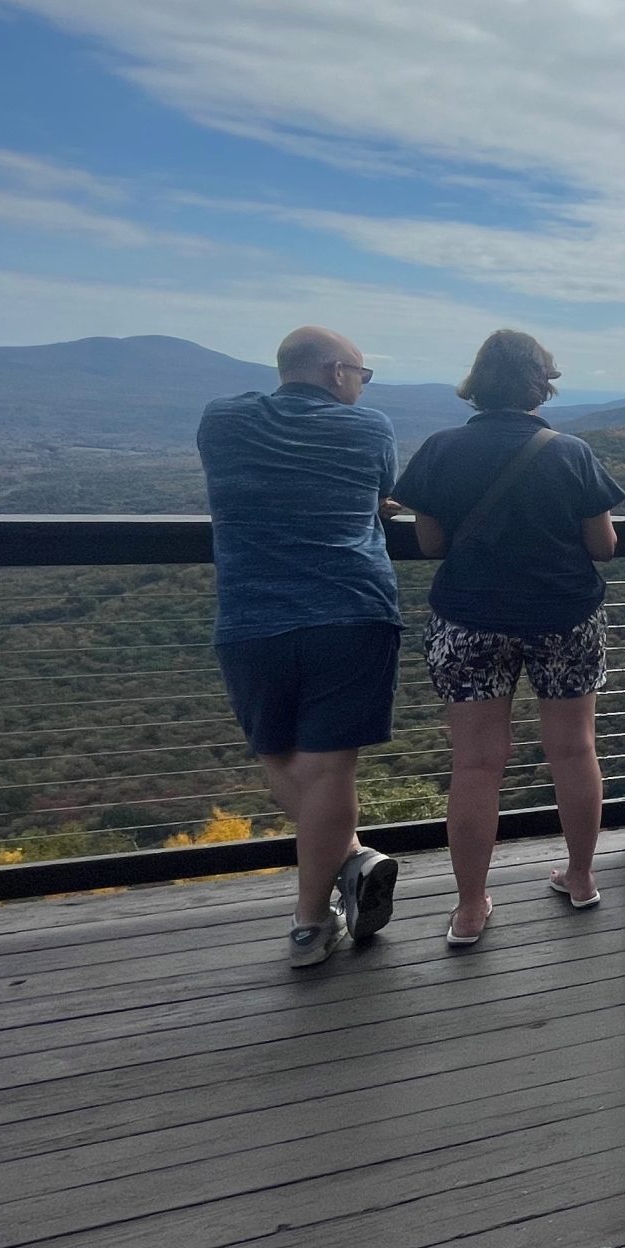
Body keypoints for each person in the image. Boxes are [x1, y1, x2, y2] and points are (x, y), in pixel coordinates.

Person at [393, 330, 625, 948]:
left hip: (468, 619)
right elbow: (603, 546)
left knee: (474, 765)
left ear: (477, 382)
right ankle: (579, 879)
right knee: (574, 752)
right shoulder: (569, 451)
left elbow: (432, 545)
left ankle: (470, 909)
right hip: (563, 616)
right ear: (539, 384)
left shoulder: (441, 450)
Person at [197, 325, 402, 968]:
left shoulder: (221, 421)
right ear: (338, 372)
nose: (361, 388)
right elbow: (376, 500)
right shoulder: (369, 430)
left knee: (277, 753)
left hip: (251, 618)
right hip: (351, 613)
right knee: (329, 768)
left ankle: (334, 885)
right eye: (361, 376)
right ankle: (315, 915)